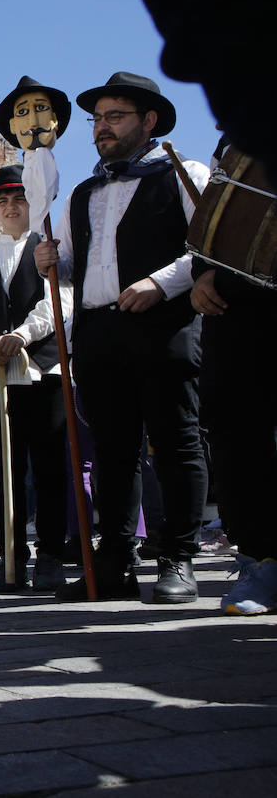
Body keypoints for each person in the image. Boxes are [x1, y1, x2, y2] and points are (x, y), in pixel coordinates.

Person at [34, 73, 210, 603]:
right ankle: (115, 556)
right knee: (111, 452)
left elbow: (208, 245)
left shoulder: (184, 172)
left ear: (148, 121)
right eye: (96, 120)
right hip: (99, 332)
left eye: (114, 117)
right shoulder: (83, 191)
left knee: (176, 441)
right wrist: (51, 261)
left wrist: (162, 283)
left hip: (163, 325)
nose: (101, 129)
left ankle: (178, 557)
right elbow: (69, 263)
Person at [0, 164, 72, 593]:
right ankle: (12, 557)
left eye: (17, 198)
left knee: (48, 468)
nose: (9, 206)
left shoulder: (52, 246)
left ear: (33, 203)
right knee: (5, 471)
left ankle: (51, 556)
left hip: (45, 369)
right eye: (1, 200)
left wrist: (21, 335)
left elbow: (60, 300)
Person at [191, 138, 277, 613]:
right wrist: (203, 273)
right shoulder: (235, 146)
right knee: (233, 430)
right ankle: (259, 558)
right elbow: (212, 228)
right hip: (234, 303)